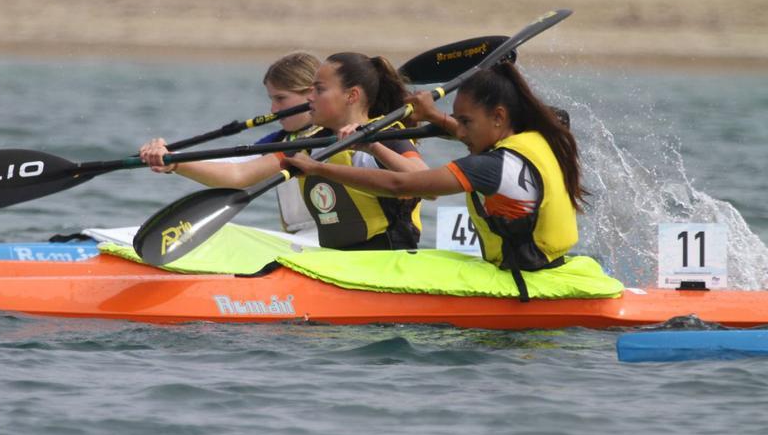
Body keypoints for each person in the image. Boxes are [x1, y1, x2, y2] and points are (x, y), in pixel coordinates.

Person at [282, 61, 586, 300]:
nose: (460, 133)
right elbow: (479, 136)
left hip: (524, 284)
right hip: (547, 269)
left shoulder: (490, 166)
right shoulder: (539, 137)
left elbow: (401, 185)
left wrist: (318, 169)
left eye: (466, 122)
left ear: (499, 117)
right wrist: (431, 116)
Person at [140, 52, 429, 250]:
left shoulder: (389, 134)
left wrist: (372, 144)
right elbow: (239, 175)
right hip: (337, 264)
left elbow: (425, 183)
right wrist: (175, 163)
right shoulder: (308, 143)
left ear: (351, 95)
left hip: (391, 259)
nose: (310, 99)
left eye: (318, 91)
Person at [142, 52, 320, 234]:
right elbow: (235, 166)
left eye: (281, 98)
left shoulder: (329, 137)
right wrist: (172, 158)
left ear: (312, 94)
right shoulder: (281, 140)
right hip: (301, 241)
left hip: (329, 248)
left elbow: (239, 176)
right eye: (271, 99)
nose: (273, 110)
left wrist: (176, 162)